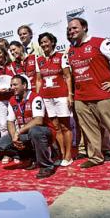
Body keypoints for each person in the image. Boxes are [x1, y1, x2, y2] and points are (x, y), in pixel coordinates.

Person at [67, 17, 110, 172]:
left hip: (103, 94)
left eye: (75, 28)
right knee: (89, 131)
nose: (72, 31)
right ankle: (96, 157)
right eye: (70, 29)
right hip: (82, 98)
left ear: (84, 28)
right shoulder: (70, 50)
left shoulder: (99, 42)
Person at [0, 75, 57, 179]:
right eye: (11, 85)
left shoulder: (35, 97)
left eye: (15, 85)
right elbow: (10, 122)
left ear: (24, 85)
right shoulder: (12, 100)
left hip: (44, 132)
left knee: (35, 131)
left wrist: (18, 133)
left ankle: (46, 166)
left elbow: (38, 120)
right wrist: (14, 137)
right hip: (25, 134)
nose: (12, 87)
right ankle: (29, 157)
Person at [36, 32, 73, 167]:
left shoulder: (61, 56)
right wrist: (37, 96)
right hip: (46, 97)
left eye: (46, 41)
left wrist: (70, 95)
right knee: (55, 127)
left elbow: (68, 77)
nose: (44, 44)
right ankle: (62, 154)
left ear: (52, 42)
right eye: (42, 42)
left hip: (61, 95)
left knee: (64, 126)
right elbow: (39, 80)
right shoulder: (38, 60)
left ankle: (69, 155)